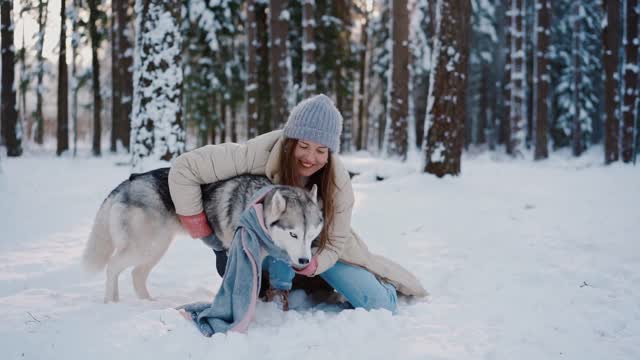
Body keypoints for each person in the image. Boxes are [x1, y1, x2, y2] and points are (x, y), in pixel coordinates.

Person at [168, 94, 427, 312]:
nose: (310, 157)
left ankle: (376, 283)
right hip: (272, 244)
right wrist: (203, 232)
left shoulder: (337, 182)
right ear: (290, 142)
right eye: (303, 146)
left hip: (319, 248)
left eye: (321, 150)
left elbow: (336, 242)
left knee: (379, 304)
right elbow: (184, 168)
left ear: (330, 153)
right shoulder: (259, 152)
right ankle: (277, 288)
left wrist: (317, 265)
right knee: (245, 284)